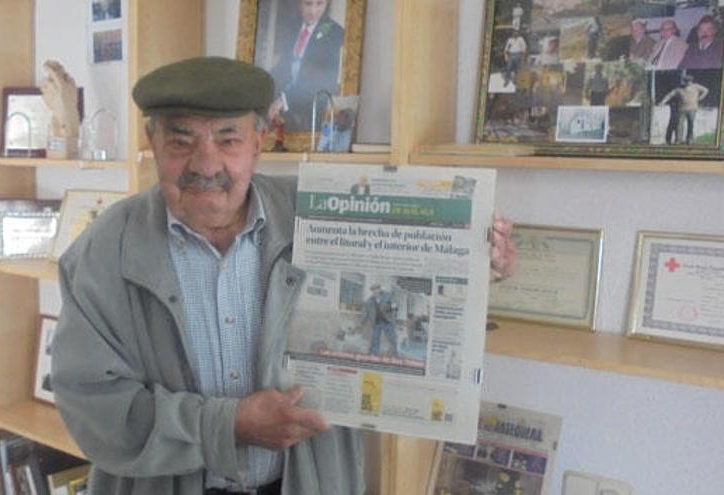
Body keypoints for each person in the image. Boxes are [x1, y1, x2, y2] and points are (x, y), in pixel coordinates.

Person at [50, 56, 517, 495]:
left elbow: (411, 277)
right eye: (181, 140)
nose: (206, 164)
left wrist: (480, 263)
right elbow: (94, 409)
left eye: (228, 139)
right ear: (152, 143)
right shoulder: (102, 253)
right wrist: (229, 425)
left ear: (259, 142)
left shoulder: (325, 217)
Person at [268, 0, 344, 132]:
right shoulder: (292, 26)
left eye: (319, 4)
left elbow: (319, 80)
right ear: (299, 3)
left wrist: (283, 100)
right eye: (308, 4)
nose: (313, 11)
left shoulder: (334, 32)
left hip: (310, 111)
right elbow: (284, 66)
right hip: (285, 99)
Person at [661, 75, 709, 145]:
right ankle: (678, 140)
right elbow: (670, 95)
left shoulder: (696, 86)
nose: (687, 83)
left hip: (692, 109)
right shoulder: (679, 89)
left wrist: (700, 98)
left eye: (689, 81)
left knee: (691, 125)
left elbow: (706, 90)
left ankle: (689, 140)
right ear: (684, 81)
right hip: (681, 109)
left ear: (691, 81)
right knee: (679, 125)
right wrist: (663, 101)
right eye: (686, 81)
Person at [359, 283, 398, 357]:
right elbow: (365, 313)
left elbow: (394, 308)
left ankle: (395, 353)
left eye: (376, 289)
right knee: (375, 339)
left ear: (380, 289)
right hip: (376, 322)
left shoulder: (388, 296)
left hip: (387, 321)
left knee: (392, 338)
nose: (375, 291)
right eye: (373, 290)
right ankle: (374, 354)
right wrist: (361, 322)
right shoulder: (369, 301)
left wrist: (393, 319)